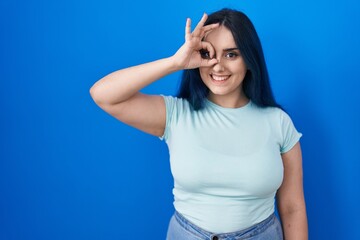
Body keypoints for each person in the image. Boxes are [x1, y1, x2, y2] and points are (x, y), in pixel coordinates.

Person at [90, 8, 308, 240]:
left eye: (231, 54)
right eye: (208, 54)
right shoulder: (176, 114)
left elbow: (292, 208)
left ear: (249, 59)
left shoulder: (278, 122)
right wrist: (175, 62)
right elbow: (103, 94)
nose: (218, 66)